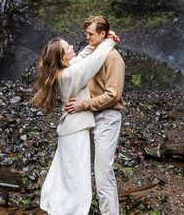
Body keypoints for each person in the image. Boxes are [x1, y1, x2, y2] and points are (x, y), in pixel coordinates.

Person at [33, 30, 119, 215]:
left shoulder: (64, 70)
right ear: (63, 57)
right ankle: (72, 210)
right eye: (68, 47)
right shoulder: (69, 74)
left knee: (64, 173)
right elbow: (91, 63)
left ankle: (59, 207)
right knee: (76, 177)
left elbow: (82, 57)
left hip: (71, 128)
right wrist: (109, 42)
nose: (73, 47)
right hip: (76, 129)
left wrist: (98, 42)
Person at [65, 16, 125, 215]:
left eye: (91, 33)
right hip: (90, 116)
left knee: (102, 172)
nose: (86, 36)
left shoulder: (112, 58)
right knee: (86, 168)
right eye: (86, 33)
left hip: (107, 117)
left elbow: (113, 94)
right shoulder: (94, 54)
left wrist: (84, 104)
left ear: (102, 34)